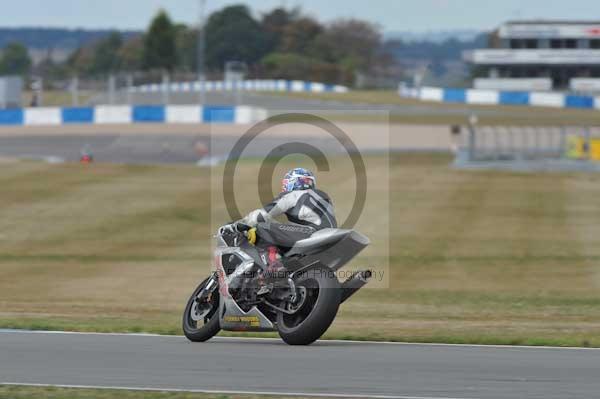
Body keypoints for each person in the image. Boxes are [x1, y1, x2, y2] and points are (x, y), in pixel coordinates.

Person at [239, 168, 338, 281]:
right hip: (329, 235)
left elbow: (261, 216)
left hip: (311, 233)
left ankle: (273, 265)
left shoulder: (293, 195)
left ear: (293, 182)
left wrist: (242, 223)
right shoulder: (323, 196)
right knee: (278, 233)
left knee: (261, 228)